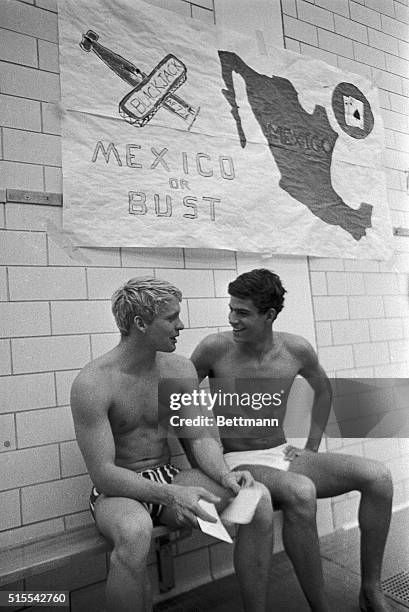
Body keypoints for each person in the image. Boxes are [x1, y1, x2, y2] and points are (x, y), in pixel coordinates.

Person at [191, 268, 393, 612]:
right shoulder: (214, 349)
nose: (232, 319)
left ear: (269, 315)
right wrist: (202, 462)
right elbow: (177, 401)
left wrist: (311, 447)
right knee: (301, 490)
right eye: (231, 309)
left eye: (242, 312)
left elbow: (324, 391)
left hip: (281, 452)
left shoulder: (295, 349)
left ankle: (370, 589)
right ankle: (321, 607)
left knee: (379, 477)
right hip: (237, 459)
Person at [70, 276, 274, 612]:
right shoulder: (94, 383)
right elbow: (104, 474)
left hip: (168, 475)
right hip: (119, 490)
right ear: (139, 323)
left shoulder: (178, 368)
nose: (180, 325)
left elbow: (200, 437)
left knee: (258, 499)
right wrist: (173, 496)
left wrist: (224, 476)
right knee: (135, 533)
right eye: (171, 317)